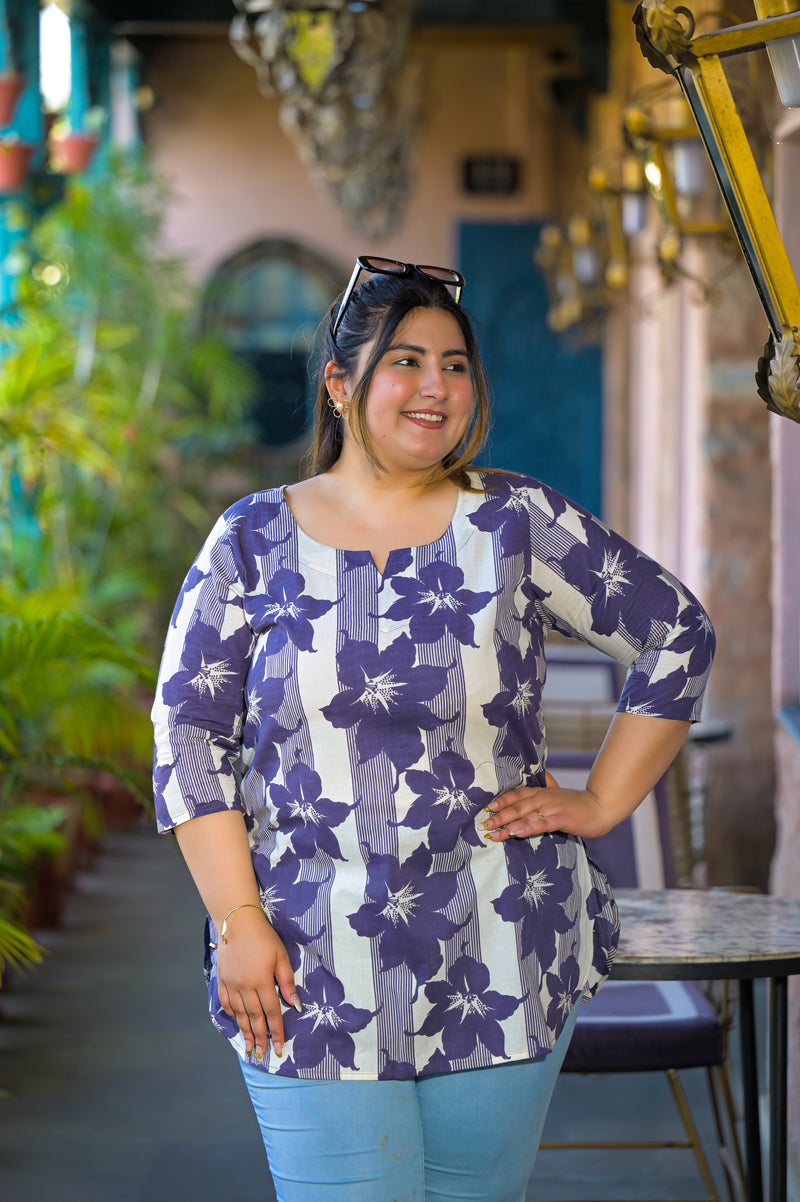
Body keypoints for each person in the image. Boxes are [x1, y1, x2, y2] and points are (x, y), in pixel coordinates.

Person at [152, 255, 715, 1202]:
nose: (436, 387)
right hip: (303, 957)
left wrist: (603, 800)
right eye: (405, 361)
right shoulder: (250, 540)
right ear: (340, 384)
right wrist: (237, 922)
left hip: (501, 937)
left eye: (456, 365)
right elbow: (188, 736)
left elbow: (676, 632)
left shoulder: (515, 521)